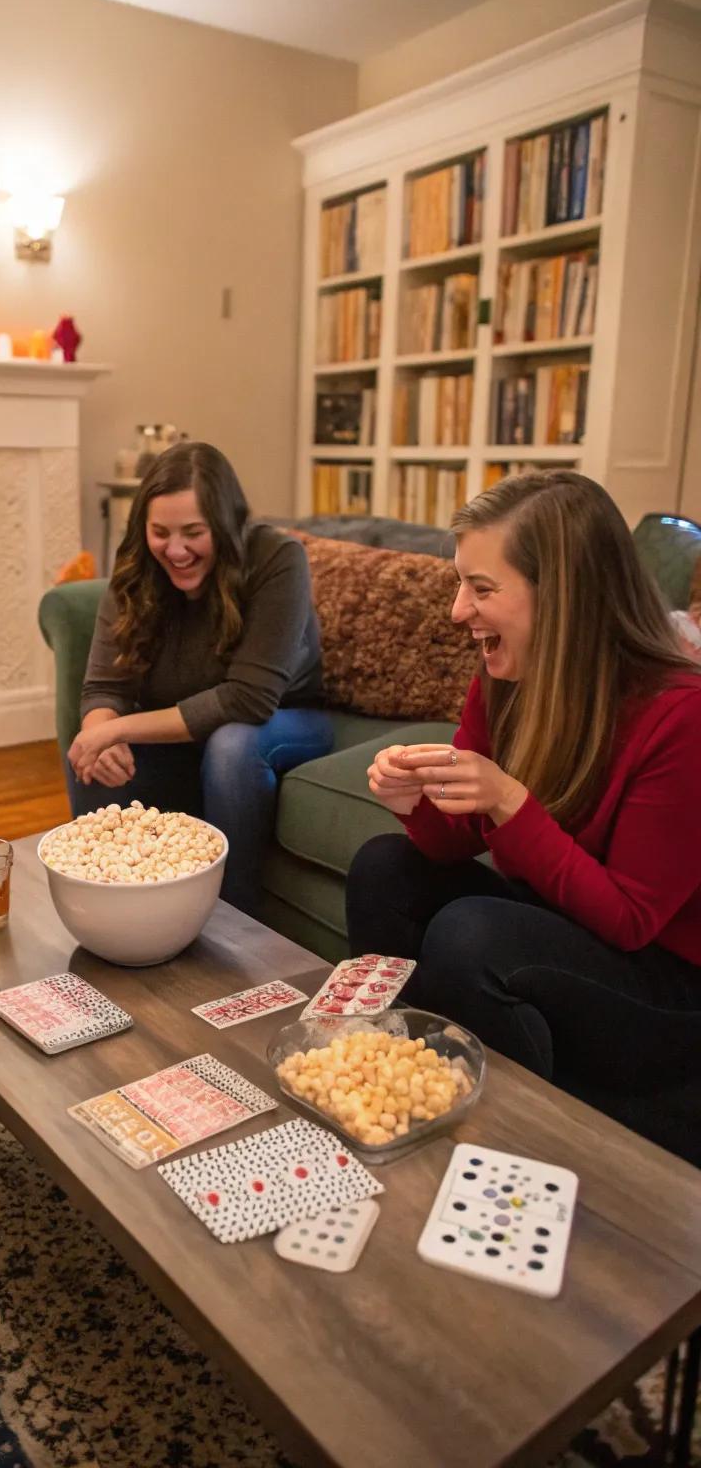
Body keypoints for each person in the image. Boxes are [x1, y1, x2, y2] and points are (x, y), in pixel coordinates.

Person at [346, 470, 701, 1161]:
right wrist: (416, 803)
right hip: (568, 924)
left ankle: (513, 1143)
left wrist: (510, 801)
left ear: (564, 598)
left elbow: (631, 920)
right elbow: (452, 844)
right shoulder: (506, 677)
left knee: (471, 934)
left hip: (668, 983)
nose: (457, 611)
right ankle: (402, 1085)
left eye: (481, 589)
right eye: (461, 584)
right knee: (383, 867)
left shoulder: (681, 716)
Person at [68, 441, 332, 914]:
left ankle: (236, 920)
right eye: (160, 532)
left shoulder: (276, 557)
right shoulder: (136, 568)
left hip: (284, 719)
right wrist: (99, 734)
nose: (175, 550)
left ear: (225, 524)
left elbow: (249, 699)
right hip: (186, 729)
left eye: (194, 532)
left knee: (231, 744)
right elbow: (104, 687)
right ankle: (111, 911)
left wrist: (120, 727)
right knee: (93, 756)